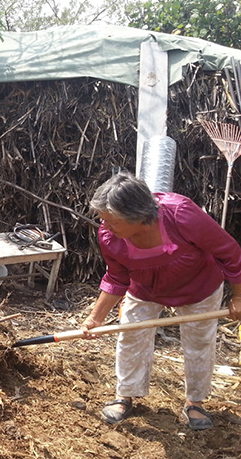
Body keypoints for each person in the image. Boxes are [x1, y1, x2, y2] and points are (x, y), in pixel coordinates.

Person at [81, 172, 241, 430]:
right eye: (103, 220)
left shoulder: (182, 215)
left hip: (198, 286)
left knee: (199, 342)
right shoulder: (109, 236)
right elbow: (116, 277)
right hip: (145, 288)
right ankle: (125, 395)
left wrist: (239, 296)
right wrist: (95, 318)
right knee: (131, 335)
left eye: (112, 220)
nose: (105, 226)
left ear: (137, 215)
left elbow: (230, 253)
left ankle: (195, 402)